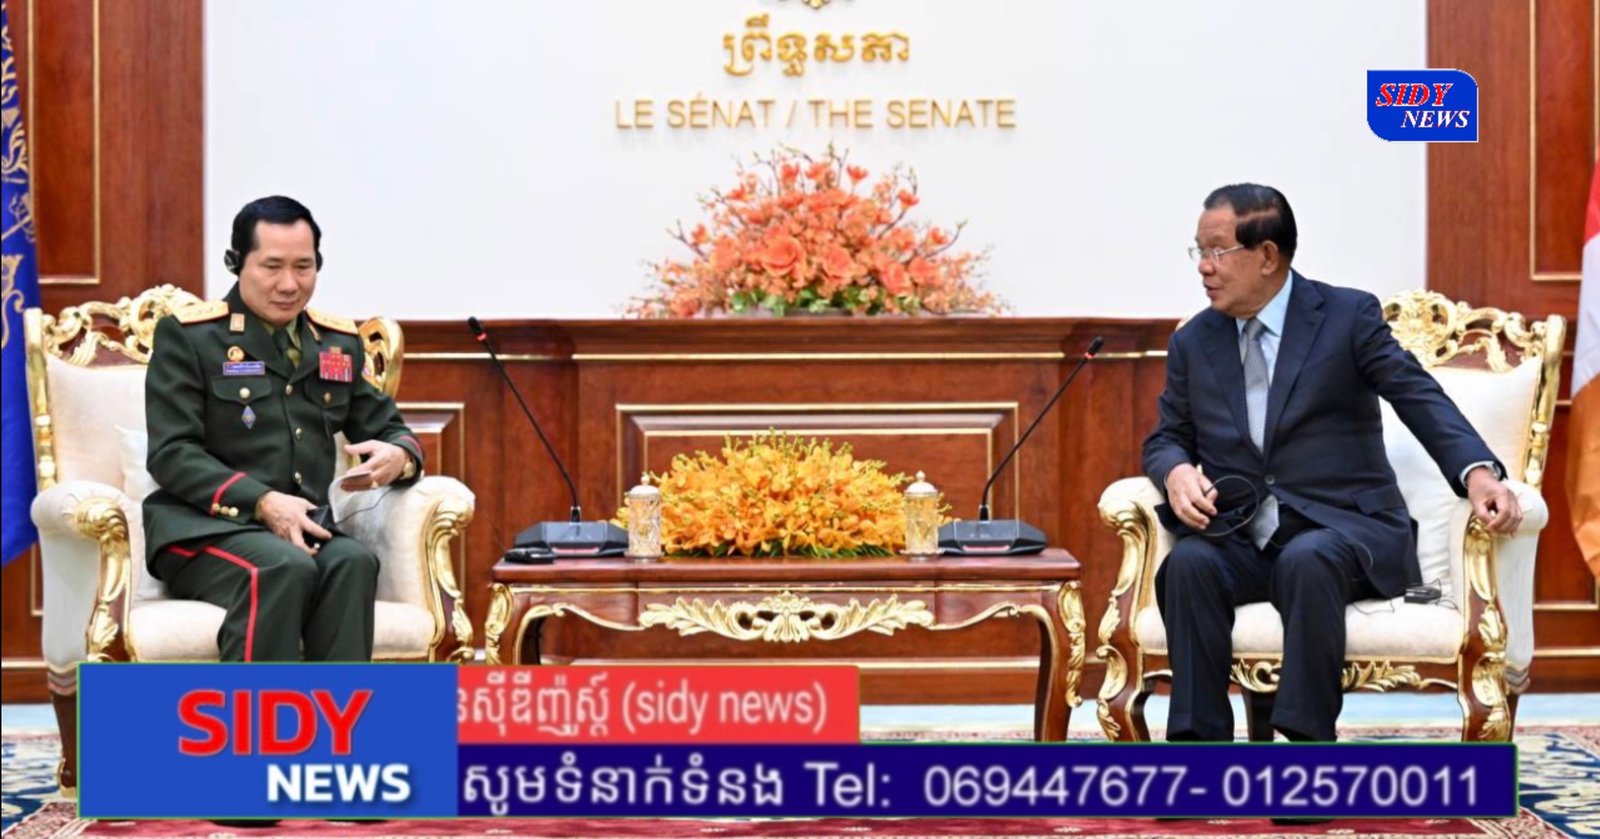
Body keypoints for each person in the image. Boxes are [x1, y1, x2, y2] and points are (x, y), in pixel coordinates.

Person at [1143, 183, 1522, 746]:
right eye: (1199, 251)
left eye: (1217, 251)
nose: (1204, 266)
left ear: (1267, 255)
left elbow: (1416, 395)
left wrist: (1478, 472)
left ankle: (1307, 749)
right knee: (1189, 565)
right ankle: (1200, 753)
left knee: (1308, 558)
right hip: (1246, 535)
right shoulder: (1195, 341)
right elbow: (1167, 437)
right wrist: (1175, 470)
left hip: (1345, 530)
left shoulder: (1346, 317)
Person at [143, 195, 423, 663]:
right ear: (236, 263)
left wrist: (400, 456)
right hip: (202, 529)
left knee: (353, 562)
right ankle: (254, 711)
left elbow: (389, 428)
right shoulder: (191, 337)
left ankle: (340, 709)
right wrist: (263, 501)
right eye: (272, 267)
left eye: (303, 267)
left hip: (302, 526)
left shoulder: (337, 344)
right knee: (282, 567)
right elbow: (172, 452)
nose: (289, 284)